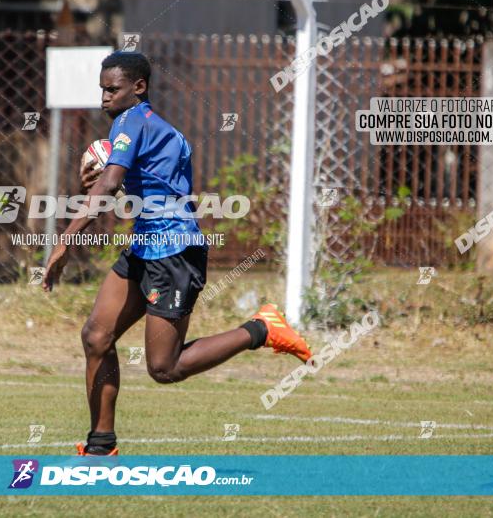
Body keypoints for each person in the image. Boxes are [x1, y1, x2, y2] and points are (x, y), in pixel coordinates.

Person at [41, 51, 311, 456]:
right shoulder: (145, 127)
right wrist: (92, 186)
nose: (104, 98)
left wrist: (65, 240)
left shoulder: (132, 121)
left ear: (139, 88)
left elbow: (112, 183)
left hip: (174, 252)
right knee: (96, 335)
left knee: (164, 368)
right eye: (101, 89)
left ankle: (261, 329)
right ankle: (101, 444)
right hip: (145, 245)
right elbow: (125, 186)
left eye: (112, 89)